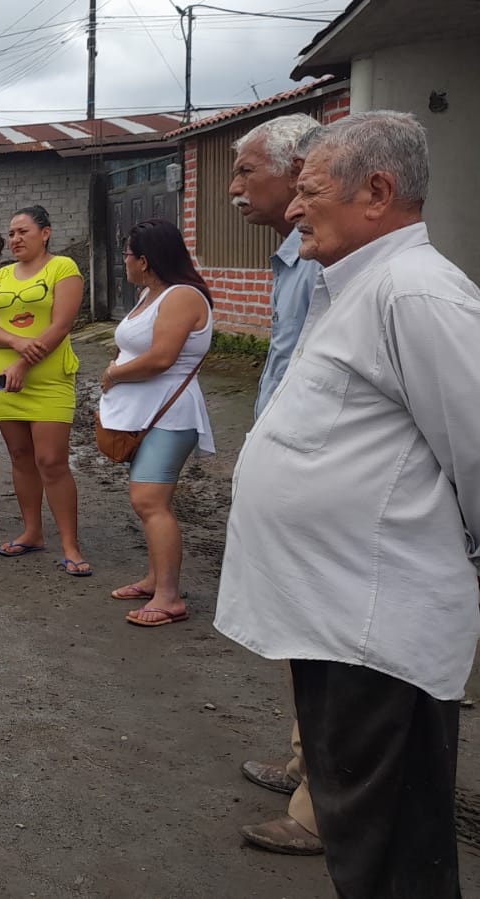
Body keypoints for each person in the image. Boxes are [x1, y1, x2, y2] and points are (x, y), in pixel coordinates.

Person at [216, 111, 480, 899]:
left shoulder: (416, 293)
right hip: (335, 616)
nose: (294, 208)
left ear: (376, 192)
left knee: (391, 851)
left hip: (377, 624)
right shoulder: (355, 285)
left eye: (309, 189)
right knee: (360, 836)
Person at [225, 113, 326, 857]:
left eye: (244, 171)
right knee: (300, 634)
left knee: (323, 639)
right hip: (289, 464)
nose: (233, 187)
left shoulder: (329, 263)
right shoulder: (292, 258)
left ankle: (320, 805)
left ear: (296, 175)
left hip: (318, 476)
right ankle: (304, 758)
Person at [97, 219, 214, 626]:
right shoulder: (151, 294)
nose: (124, 261)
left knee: (150, 501)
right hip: (145, 413)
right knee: (146, 501)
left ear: (144, 260)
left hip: (170, 414)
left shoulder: (181, 297)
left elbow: (162, 358)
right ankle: (154, 579)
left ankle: (169, 598)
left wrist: (113, 374)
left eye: (127, 254)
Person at [0, 205, 89, 575]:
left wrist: (23, 362)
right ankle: (32, 532)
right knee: (20, 456)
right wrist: (16, 342)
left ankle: (70, 545)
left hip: (48, 379)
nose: (15, 239)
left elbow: (60, 326)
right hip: (3, 378)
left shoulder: (63, 268)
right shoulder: (1, 275)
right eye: (11, 233)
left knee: (52, 461)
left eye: (23, 231)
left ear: (45, 233)